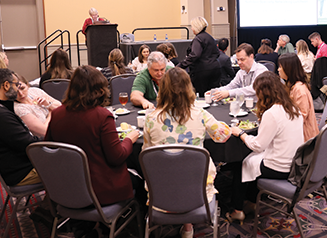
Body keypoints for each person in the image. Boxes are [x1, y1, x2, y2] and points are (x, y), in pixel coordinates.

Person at [143, 67, 231, 238]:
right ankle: (188, 226)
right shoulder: (199, 114)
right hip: (198, 193)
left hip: (160, 193)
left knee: (172, 171)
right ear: (188, 88)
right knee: (190, 171)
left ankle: (187, 226)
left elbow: (146, 154)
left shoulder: (151, 119)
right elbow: (223, 136)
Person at [46, 65, 140, 207]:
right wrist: (128, 140)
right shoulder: (102, 116)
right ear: (100, 90)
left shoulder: (57, 114)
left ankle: (84, 226)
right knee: (142, 181)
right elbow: (117, 157)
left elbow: (49, 148)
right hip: (99, 189)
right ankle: (133, 225)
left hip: (67, 187)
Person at [226, 71, 304, 223]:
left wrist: (241, 133)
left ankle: (237, 210)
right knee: (250, 161)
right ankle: (252, 202)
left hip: (279, 167)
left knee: (239, 164)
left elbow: (258, 146)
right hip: (294, 163)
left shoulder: (272, 113)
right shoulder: (293, 108)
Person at [0, 69, 41, 187]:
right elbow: (29, 144)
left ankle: (50, 204)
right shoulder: (3, 115)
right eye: (16, 84)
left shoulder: (5, 108)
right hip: (21, 173)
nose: (18, 89)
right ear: (6, 86)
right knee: (71, 165)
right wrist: (53, 140)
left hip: (16, 166)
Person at [278, 53, 319, 142]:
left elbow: (301, 117)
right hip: (296, 132)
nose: (278, 70)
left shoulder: (299, 90)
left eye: (280, 67)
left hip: (304, 137)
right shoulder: (290, 85)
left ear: (288, 69)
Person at [177, 16, 221, 96]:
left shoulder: (198, 39)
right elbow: (217, 53)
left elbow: (195, 55)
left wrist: (181, 65)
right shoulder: (210, 37)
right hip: (215, 68)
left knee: (201, 95)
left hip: (202, 71)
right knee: (213, 94)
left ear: (196, 27)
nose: (192, 29)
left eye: (192, 27)